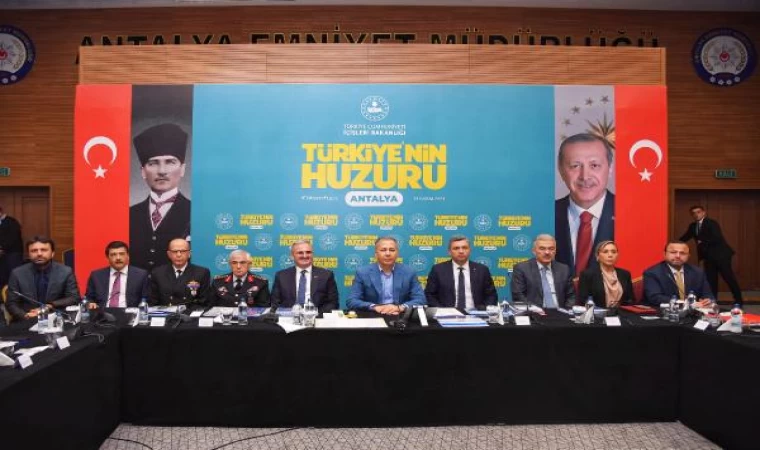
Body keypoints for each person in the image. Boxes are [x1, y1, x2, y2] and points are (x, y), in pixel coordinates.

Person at [129, 123, 191, 271]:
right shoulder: (129, 215)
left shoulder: (194, 213)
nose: (162, 171)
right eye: (153, 163)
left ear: (182, 169)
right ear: (143, 172)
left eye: (170, 162)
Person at [555, 133, 615, 277]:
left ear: (610, 168)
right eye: (575, 166)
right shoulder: (545, 214)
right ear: (561, 171)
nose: (585, 176)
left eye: (594, 165)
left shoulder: (632, 215)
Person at [679, 205, 743, 305]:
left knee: (728, 277)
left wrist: (702, 241)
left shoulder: (711, 223)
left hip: (721, 255)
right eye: (693, 213)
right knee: (711, 280)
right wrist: (674, 243)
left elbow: (717, 237)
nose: (696, 215)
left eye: (698, 212)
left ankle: (739, 300)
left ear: (704, 213)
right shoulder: (693, 226)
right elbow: (686, 237)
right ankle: (713, 301)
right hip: (708, 257)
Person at [6, 236, 80, 321]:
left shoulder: (65, 271)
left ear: (52, 253)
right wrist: (25, 316)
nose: (39, 254)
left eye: (44, 250)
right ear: (29, 254)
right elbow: (11, 303)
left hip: (55, 318)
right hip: (26, 319)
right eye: (34, 251)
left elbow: (74, 298)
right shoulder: (17, 273)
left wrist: (50, 306)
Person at [347, 236, 425, 314]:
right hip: (373, 314)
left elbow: (421, 299)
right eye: (383, 250)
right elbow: (352, 301)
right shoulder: (362, 272)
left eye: (392, 250)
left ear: (397, 254)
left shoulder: (409, 272)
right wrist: (375, 307)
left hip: (400, 315)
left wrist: (400, 307)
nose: (388, 253)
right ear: (376, 254)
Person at [424, 235, 498, 310]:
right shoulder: (438, 270)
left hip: (477, 314)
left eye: (464, 248)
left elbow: (491, 295)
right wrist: (443, 311)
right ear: (449, 252)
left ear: (470, 250)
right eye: (456, 248)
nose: (461, 251)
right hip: (447, 314)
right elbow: (430, 295)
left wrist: (483, 311)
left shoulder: (482, 270)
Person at [511, 234, 575, 309]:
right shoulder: (522, 268)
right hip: (533, 313)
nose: (547, 252)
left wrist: (566, 311)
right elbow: (518, 296)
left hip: (560, 313)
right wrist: (535, 310)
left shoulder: (564, 269)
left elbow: (571, 296)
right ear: (534, 251)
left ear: (555, 251)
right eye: (542, 248)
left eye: (551, 249)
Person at [271, 240, 339, 312]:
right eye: (300, 253)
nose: (305, 256)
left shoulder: (326, 275)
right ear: (292, 256)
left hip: (317, 316)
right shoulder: (281, 276)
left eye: (308, 252)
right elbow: (275, 303)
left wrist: (314, 314)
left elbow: (333, 303)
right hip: (289, 316)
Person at [643, 241, 713, 307]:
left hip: (693, 312)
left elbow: (708, 294)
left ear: (688, 256)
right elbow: (655, 297)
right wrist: (685, 303)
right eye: (673, 252)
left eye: (683, 253)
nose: (678, 256)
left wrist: (708, 301)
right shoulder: (652, 273)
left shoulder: (698, 272)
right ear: (664, 254)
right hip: (662, 312)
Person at [84, 241, 149, 309]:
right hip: (102, 312)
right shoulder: (96, 276)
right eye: (113, 254)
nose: (118, 258)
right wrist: (90, 303)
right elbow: (88, 298)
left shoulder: (141, 275)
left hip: (130, 313)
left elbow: (146, 300)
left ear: (128, 256)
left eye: (122, 254)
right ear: (107, 257)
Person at [149, 238, 210, 306]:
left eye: (183, 251)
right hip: (164, 311)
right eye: (175, 251)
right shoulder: (158, 273)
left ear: (189, 253)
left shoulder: (201, 273)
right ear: (169, 254)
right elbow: (153, 302)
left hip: (189, 312)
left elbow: (203, 302)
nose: (178, 255)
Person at [577, 241, 634, 308]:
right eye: (605, 252)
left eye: (613, 252)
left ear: (617, 255)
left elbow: (630, 300)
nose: (610, 255)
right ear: (598, 256)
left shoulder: (625, 274)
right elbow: (583, 301)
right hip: (597, 313)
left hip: (621, 313)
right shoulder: (587, 275)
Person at [0, 205, 24, 289]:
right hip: (2, 256)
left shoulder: (12, 222)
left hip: (13, 255)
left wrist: (2, 248)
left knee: (13, 277)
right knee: (2, 278)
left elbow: (13, 238)